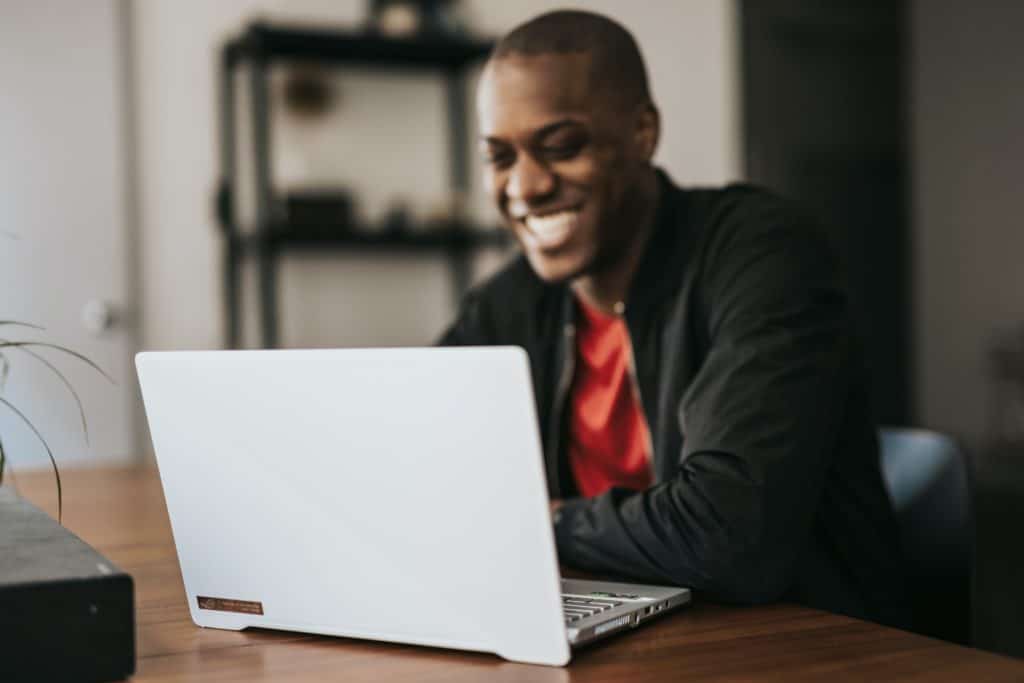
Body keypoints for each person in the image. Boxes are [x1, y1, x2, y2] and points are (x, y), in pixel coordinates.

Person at [440, 9, 907, 627]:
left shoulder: (763, 254)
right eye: (499, 158)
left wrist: (544, 519)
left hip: (801, 644)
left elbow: (728, 537)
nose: (524, 187)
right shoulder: (512, 301)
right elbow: (424, 470)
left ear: (642, 131)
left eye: (561, 147)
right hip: (628, 630)